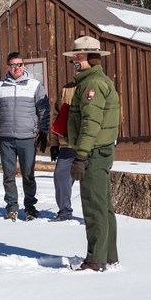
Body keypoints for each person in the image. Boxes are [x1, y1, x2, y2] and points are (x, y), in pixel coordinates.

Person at [64, 36, 120, 272]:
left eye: (79, 57)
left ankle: (96, 260)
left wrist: (81, 156)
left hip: (94, 152)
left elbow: (90, 123)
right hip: (100, 150)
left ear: (91, 58)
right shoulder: (94, 81)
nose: (74, 61)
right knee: (103, 205)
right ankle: (108, 256)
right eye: (74, 57)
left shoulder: (92, 85)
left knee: (94, 206)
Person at [0, 52, 50, 222]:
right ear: (8, 67)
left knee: (28, 174)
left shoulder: (35, 86)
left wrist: (43, 132)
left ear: (24, 66)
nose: (17, 68)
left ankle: (30, 208)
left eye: (20, 64)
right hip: (6, 137)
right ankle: (12, 207)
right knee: (8, 175)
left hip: (27, 137)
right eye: (13, 65)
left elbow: (43, 110)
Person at [49, 80, 77, 222]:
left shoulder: (96, 85)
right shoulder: (66, 89)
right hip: (67, 145)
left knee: (91, 183)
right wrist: (54, 143)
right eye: (74, 65)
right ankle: (65, 212)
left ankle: (95, 216)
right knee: (60, 176)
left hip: (91, 145)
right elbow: (57, 116)